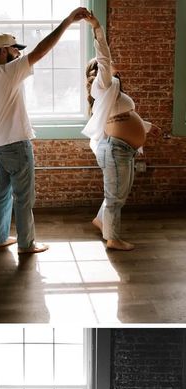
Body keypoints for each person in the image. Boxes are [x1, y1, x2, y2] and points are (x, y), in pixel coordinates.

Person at [0, 8, 91, 255]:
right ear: (2, 52)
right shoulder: (9, 71)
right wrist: (67, 21)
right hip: (16, 145)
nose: (18, 52)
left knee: (2, 194)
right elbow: (41, 50)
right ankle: (26, 244)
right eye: (14, 49)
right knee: (24, 197)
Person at [82, 14, 153, 251]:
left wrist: (144, 128)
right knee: (115, 197)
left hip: (123, 149)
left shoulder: (113, 90)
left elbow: (125, 116)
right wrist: (97, 28)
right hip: (115, 149)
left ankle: (101, 220)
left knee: (119, 195)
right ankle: (112, 239)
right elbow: (104, 55)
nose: (112, 62)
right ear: (100, 69)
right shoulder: (103, 84)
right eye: (106, 64)